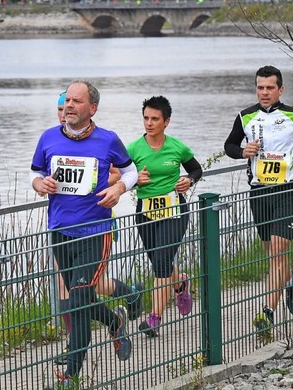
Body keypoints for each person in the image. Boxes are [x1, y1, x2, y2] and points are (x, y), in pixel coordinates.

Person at [31, 81, 139, 387]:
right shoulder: (48, 138)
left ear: (92, 108)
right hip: (60, 232)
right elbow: (35, 173)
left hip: (95, 232)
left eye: (77, 101)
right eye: (67, 101)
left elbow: (129, 171)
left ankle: (70, 375)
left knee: (77, 299)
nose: (69, 106)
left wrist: (118, 188)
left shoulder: (108, 140)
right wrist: (41, 185)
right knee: (83, 297)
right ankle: (115, 321)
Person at [224, 66, 293, 338]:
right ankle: (290, 280)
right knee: (273, 255)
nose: (264, 92)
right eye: (260, 87)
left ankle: (267, 311)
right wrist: (242, 151)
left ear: (280, 89)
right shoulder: (245, 116)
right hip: (259, 193)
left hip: (287, 190)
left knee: (279, 250)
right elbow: (229, 146)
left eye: (270, 88)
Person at [126, 95, 201, 337]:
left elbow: (196, 169)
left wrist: (189, 180)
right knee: (160, 261)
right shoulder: (133, 149)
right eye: (146, 118)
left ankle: (154, 317)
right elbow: (120, 175)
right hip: (146, 212)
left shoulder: (177, 147)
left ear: (166, 122)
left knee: (160, 262)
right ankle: (179, 284)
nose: (149, 123)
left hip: (174, 210)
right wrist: (136, 178)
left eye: (155, 119)